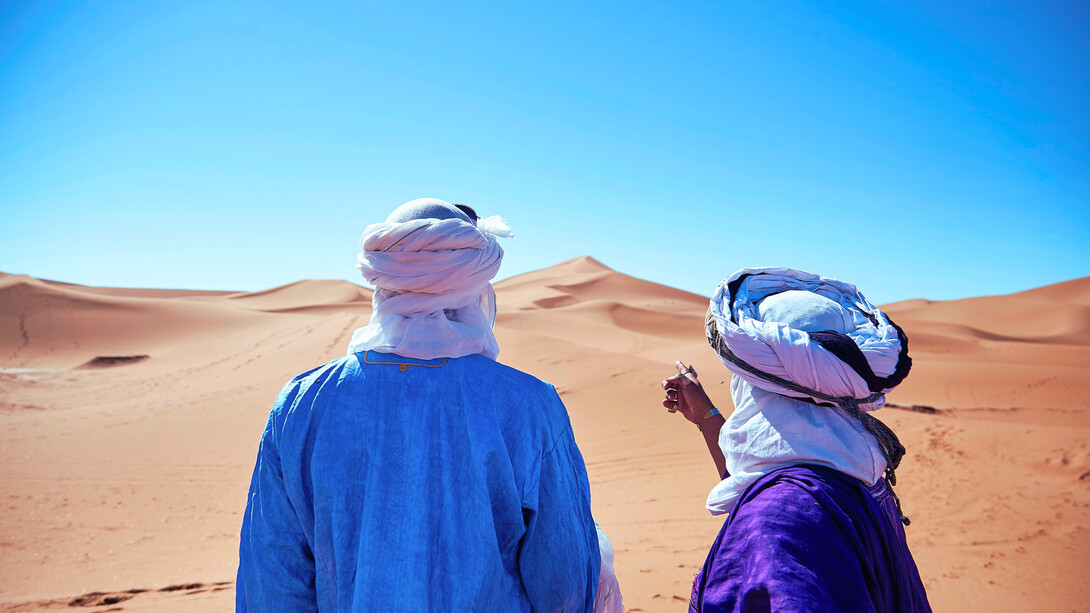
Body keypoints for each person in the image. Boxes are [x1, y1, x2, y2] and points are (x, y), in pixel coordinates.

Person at [237, 198, 618, 612]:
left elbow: (272, 579)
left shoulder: (301, 403)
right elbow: (565, 582)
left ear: (383, 280)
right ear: (474, 288)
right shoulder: (528, 404)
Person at [661, 268, 931, 613]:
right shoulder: (856, 478)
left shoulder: (777, 521)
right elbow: (776, 486)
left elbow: (779, 509)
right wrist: (706, 418)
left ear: (753, 380)